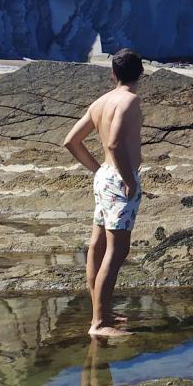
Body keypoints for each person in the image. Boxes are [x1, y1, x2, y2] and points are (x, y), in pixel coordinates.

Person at [62, 48, 144, 338]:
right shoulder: (130, 101)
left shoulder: (101, 102)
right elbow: (113, 144)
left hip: (104, 178)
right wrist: (127, 179)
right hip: (120, 180)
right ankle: (99, 323)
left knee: (97, 245)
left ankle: (103, 313)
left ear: (113, 73)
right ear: (141, 73)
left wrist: (98, 170)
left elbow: (71, 141)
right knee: (117, 249)